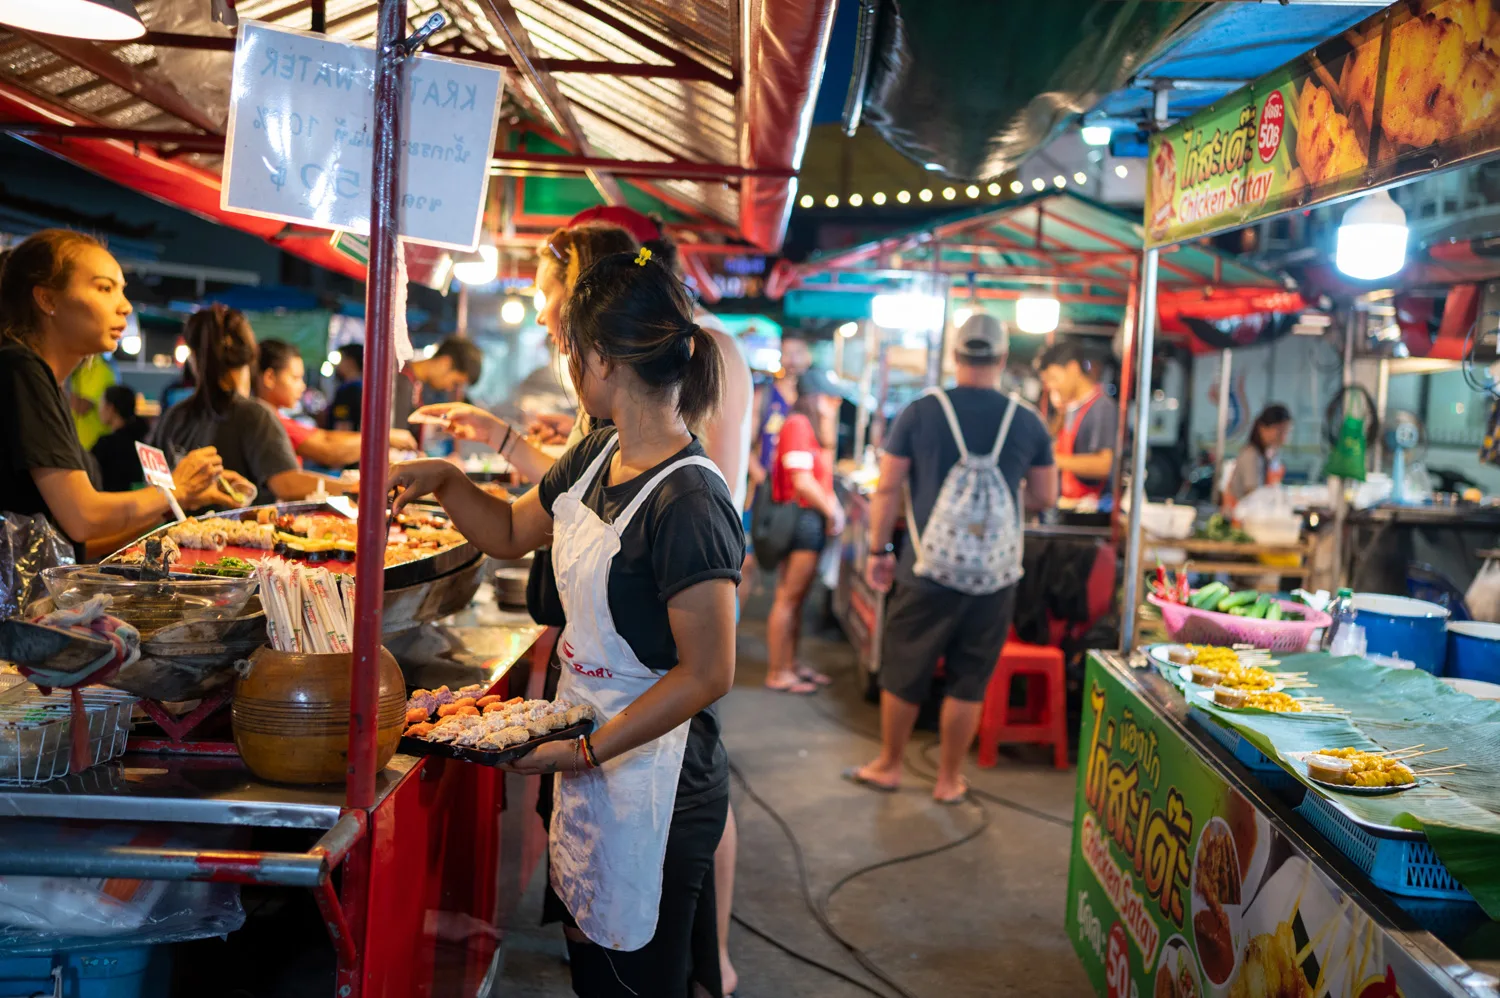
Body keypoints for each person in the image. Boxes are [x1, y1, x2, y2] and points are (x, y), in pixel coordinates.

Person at [389, 247, 742, 997]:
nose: (569, 363)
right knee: (594, 967)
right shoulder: (596, 452)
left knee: (639, 982)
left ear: (603, 360)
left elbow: (709, 671)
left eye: (572, 349)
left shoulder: (690, 501)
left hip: (658, 775)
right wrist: (448, 482)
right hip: (588, 744)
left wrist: (584, 755)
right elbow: (514, 531)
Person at [851, 315, 1057, 804]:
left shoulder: (920, 412)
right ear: (1003, 359)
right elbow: (1046, 495)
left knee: (904, 668)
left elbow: (887, 488)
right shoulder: (1027, 419)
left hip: (926, 569)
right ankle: (948, 780)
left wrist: (879, 550)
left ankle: (890, 765)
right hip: (994, 577)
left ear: (956, 357)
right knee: (970, 677)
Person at [0, 229, 242, 560]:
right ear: (48, 299)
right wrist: (173, 490)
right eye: (104, 288)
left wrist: (177, 501)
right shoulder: (19, 368)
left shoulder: (44, 382)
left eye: (122, 291)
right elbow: (83, 517)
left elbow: (75, 546)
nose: (125, 306)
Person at [150, 306, 341, 503]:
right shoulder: (255, 415)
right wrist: (348, 488)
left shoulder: (174, 417)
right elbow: (287, 484)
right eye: (295, 378)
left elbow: (154, 490)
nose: (301, 386)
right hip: (241, 532)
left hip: (176, 531)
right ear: (250, 355)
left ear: (192, 358)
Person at [764, 367, 845, 695]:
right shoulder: (798, 424)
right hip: (800, 521)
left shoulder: (809, 427)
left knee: (795, 599)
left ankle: (791, 664)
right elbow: (801, 479)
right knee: (788, 597)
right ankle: (777, 670)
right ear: (816, 397)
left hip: (808, 521)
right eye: (829, 397)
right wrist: (832, 510)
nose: (834, 404)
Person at [254, 339, 417, 468]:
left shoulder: (269, 417)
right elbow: (327, 447)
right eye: (295, 378)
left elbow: (327, 438)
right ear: (269, 378)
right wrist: (384, 437)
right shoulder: (264, 421)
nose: (302, 386)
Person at [1035, 339, 1116, 508]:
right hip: (1066, 503)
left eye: (1054, 378)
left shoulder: (1101, 407)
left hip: (1091, 508)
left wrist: (1053, 460)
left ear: (1072, 368)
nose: (1051, 386)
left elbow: (1104, 464)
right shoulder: (1069, 408)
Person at [747, 332, 812, 496]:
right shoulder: (764, 396)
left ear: (808, 357)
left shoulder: (814, 400)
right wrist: (761, 477)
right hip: (769, 491)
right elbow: (746, 442)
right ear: (780, 357)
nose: (793, 360)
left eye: (798, 353)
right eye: (787, 353)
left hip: (804, 492)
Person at [392, 335, 484, 441]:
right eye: (455, 383)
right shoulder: (399, 378)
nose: (449, 388)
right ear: (445, 363)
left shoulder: (416, 386)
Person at [1224, 404, 1292, 509]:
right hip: (1240, 518)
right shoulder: (1251, 455)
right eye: (1279, 431)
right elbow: (1254, 495)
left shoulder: (1270, 454)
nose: (1283, 437)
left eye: (1286, 431)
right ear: (1263, 428)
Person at [91, 384, 149, 492]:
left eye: (101, 404)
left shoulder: (105, 445)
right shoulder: (144, 440)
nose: (99, 409)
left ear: (111, 408)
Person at [69, 353, 117, 451]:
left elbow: (83, 407)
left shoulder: (100, 370)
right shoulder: (77, 371)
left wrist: (57, 383)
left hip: (93, 449)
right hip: (77, 447)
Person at [324, 344, 363, 431]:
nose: (338, 364)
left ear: (350, 361)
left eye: (341, 359)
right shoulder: (364, 388)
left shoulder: (347, 390)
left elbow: (342, 426)